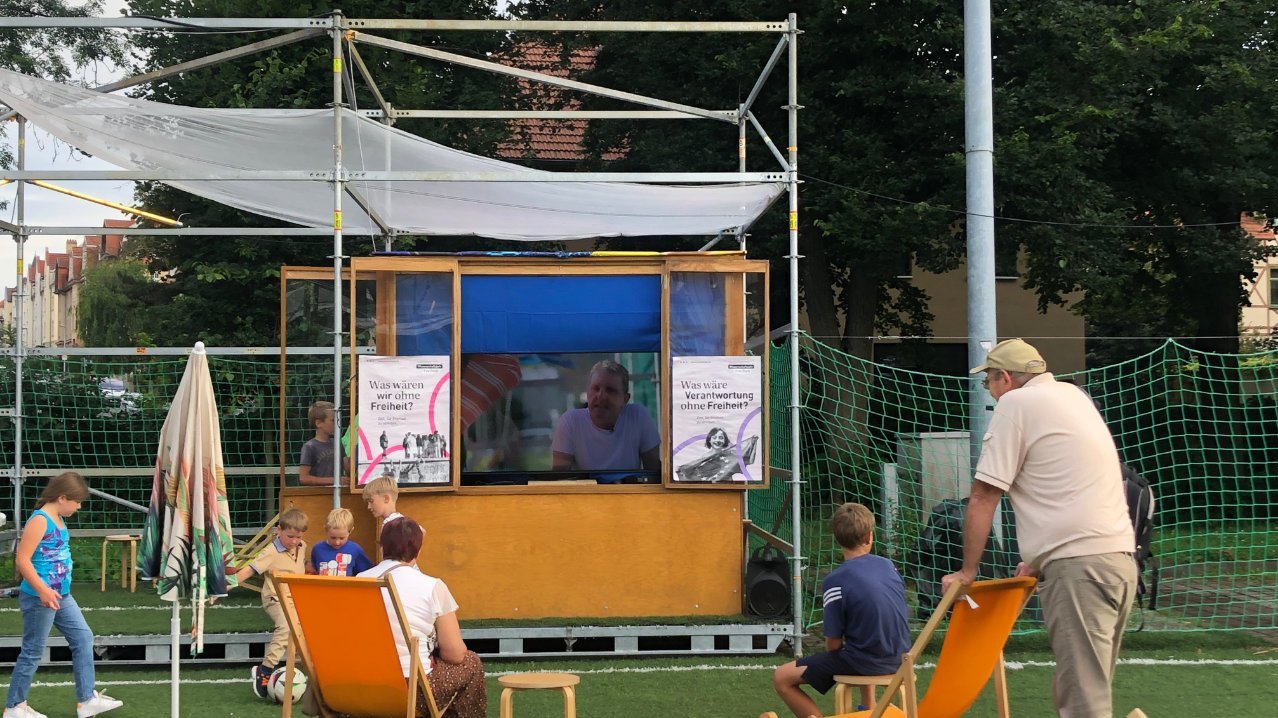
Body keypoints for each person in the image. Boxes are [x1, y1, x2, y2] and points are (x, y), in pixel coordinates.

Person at [941, 338, 1137, 718]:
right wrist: (1035, 559)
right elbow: (1069, 483)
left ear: (1005, 379)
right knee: (1083, 688)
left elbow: (983, 496)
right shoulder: (1073, 396)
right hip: (1118, 562)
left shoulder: (1017, 403)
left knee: (1084, 703)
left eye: (989, 383)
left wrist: (967, 572)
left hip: (1079, 568)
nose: (990, 392)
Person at [772, 503, 909, 718]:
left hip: (866, 661)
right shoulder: (888, 566)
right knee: (861, 644)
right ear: (869, 536)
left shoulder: (835, 581)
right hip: (901, 659)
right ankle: (868, 708)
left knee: (781, 677)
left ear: (837, 540)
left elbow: (833, 643)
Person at [5, 472, 124, 718]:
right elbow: (23, 561)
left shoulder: (57, 517)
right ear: (62, 497)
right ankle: (14, 707)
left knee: (83, 638)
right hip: (41, 598)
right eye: (77, 501)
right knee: (32, 651)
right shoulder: (40, 520)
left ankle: (86, 700)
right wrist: (42, 590)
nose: (79, 507)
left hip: (61, 596)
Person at [358, 517, 487, 718]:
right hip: (410, 691)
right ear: (418, 549)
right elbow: (454, 653)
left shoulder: (357, 581)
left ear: (382, 546)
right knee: (471, 662)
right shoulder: (432, 586)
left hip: (358, 687)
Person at [232, 508, 309, 699]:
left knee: (303, 632)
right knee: (285, 625)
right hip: (275, 599)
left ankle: (302, 672)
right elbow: (248, 571)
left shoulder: (303, 547)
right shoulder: (271, 552)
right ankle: (265, 669)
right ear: (278, 531)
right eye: (290, 536)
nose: (294, 541)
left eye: (298, 537)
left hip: (295, 601)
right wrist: (225, 586)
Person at [551, 360, 660, 472]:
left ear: (625, 399)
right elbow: (558, 478)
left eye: (610, 390)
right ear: (587, 393)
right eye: (596, 388)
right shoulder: (571, 422)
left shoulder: (637, 416)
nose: (601, 396)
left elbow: (654, 471)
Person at [310, 508, 373, 577]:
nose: (337, 542)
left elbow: (367, 573)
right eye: (333, 538)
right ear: (326, 529)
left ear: (351, 531)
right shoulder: (317, 549)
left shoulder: (355, 549)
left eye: (342, 538)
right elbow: (314, 571)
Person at [299, 401, 346, 486]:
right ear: (318, 423)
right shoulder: (309, 447)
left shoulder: (338, 444)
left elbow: (348, 467)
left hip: (339, 493)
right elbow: (303, 478)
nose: (337, 423)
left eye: (337, 420)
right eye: (333, 420)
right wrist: (335, 480)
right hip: (318, 494)